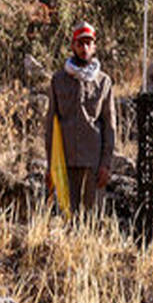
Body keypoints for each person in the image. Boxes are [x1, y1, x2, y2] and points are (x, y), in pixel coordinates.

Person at [44, 22, 116, 214]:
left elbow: (109, 126)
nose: (84, 48)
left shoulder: (104, 82)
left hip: (93, 164)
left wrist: (106, 164)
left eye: (88, 43)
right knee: (67, 217)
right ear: (72, 46)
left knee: (92, 220)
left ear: (94, 46)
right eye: (80, 43)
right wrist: (50, 166)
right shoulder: (58, 80)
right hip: (65, 163)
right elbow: (51, 125)